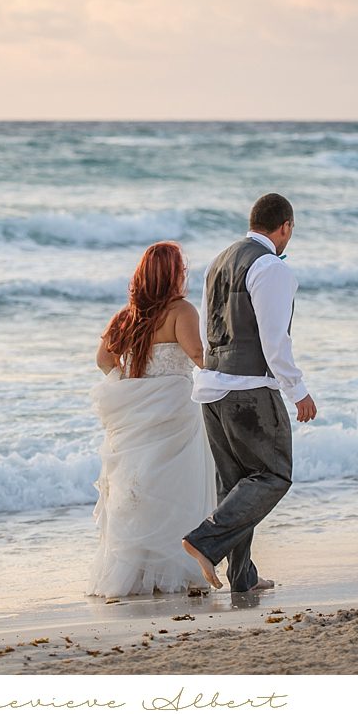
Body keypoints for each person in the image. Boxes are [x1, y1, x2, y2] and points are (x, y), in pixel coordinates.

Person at [182, 193, 317, 592]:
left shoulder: (217, 262)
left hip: (213, 388)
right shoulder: (270, 267)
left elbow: (208, 331)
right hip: (250, 390)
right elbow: (275, 341)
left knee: (235, 482)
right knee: (274, 474)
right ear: (285, 227)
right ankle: (206, 541)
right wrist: (298, 391)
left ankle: (243, 576)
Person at [87, 241, 217, 597]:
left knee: (138, 489)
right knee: (177, 489)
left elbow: (103, 360)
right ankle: (174, 569)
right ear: (174, 275)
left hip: (135, 412)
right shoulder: (181, 312)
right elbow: (197, 356)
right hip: (174, 409)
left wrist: (132, 384)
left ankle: (137, 574)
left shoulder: (125, 317)